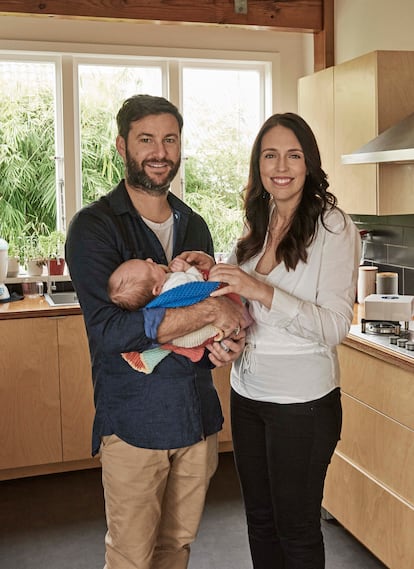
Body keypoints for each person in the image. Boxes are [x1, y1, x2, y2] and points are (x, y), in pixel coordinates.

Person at [65, 94, 247, 569]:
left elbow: (212, 328)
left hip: (195, 417)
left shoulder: (195, 226)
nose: (159, 151)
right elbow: (110, 331)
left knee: (177, 548)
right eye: (146, 139)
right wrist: (206, 311)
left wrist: (223, 345)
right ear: (123, 146)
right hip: (133, 425)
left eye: (169, 139)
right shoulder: (94, 228)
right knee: (130, 555)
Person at [179, 112, 361, 569]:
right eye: (270, 155)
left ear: (309, 163)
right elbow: (245, 317)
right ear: (258, 166)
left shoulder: (334, 227)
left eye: (293, 155)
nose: (281, 165)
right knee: (259, 523)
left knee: (296, 530)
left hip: (303, 405)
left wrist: (258, 287)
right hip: (247, 397)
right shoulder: (255, 231)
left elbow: (335, 326)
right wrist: (219, 294)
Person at [107, 255, 233, 373]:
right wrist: (187, 268)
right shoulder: (175, 282)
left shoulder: (150, 303)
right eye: (150, 266)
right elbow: (197, 282)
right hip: (197, 333)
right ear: (156, 289)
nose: (150, 259)